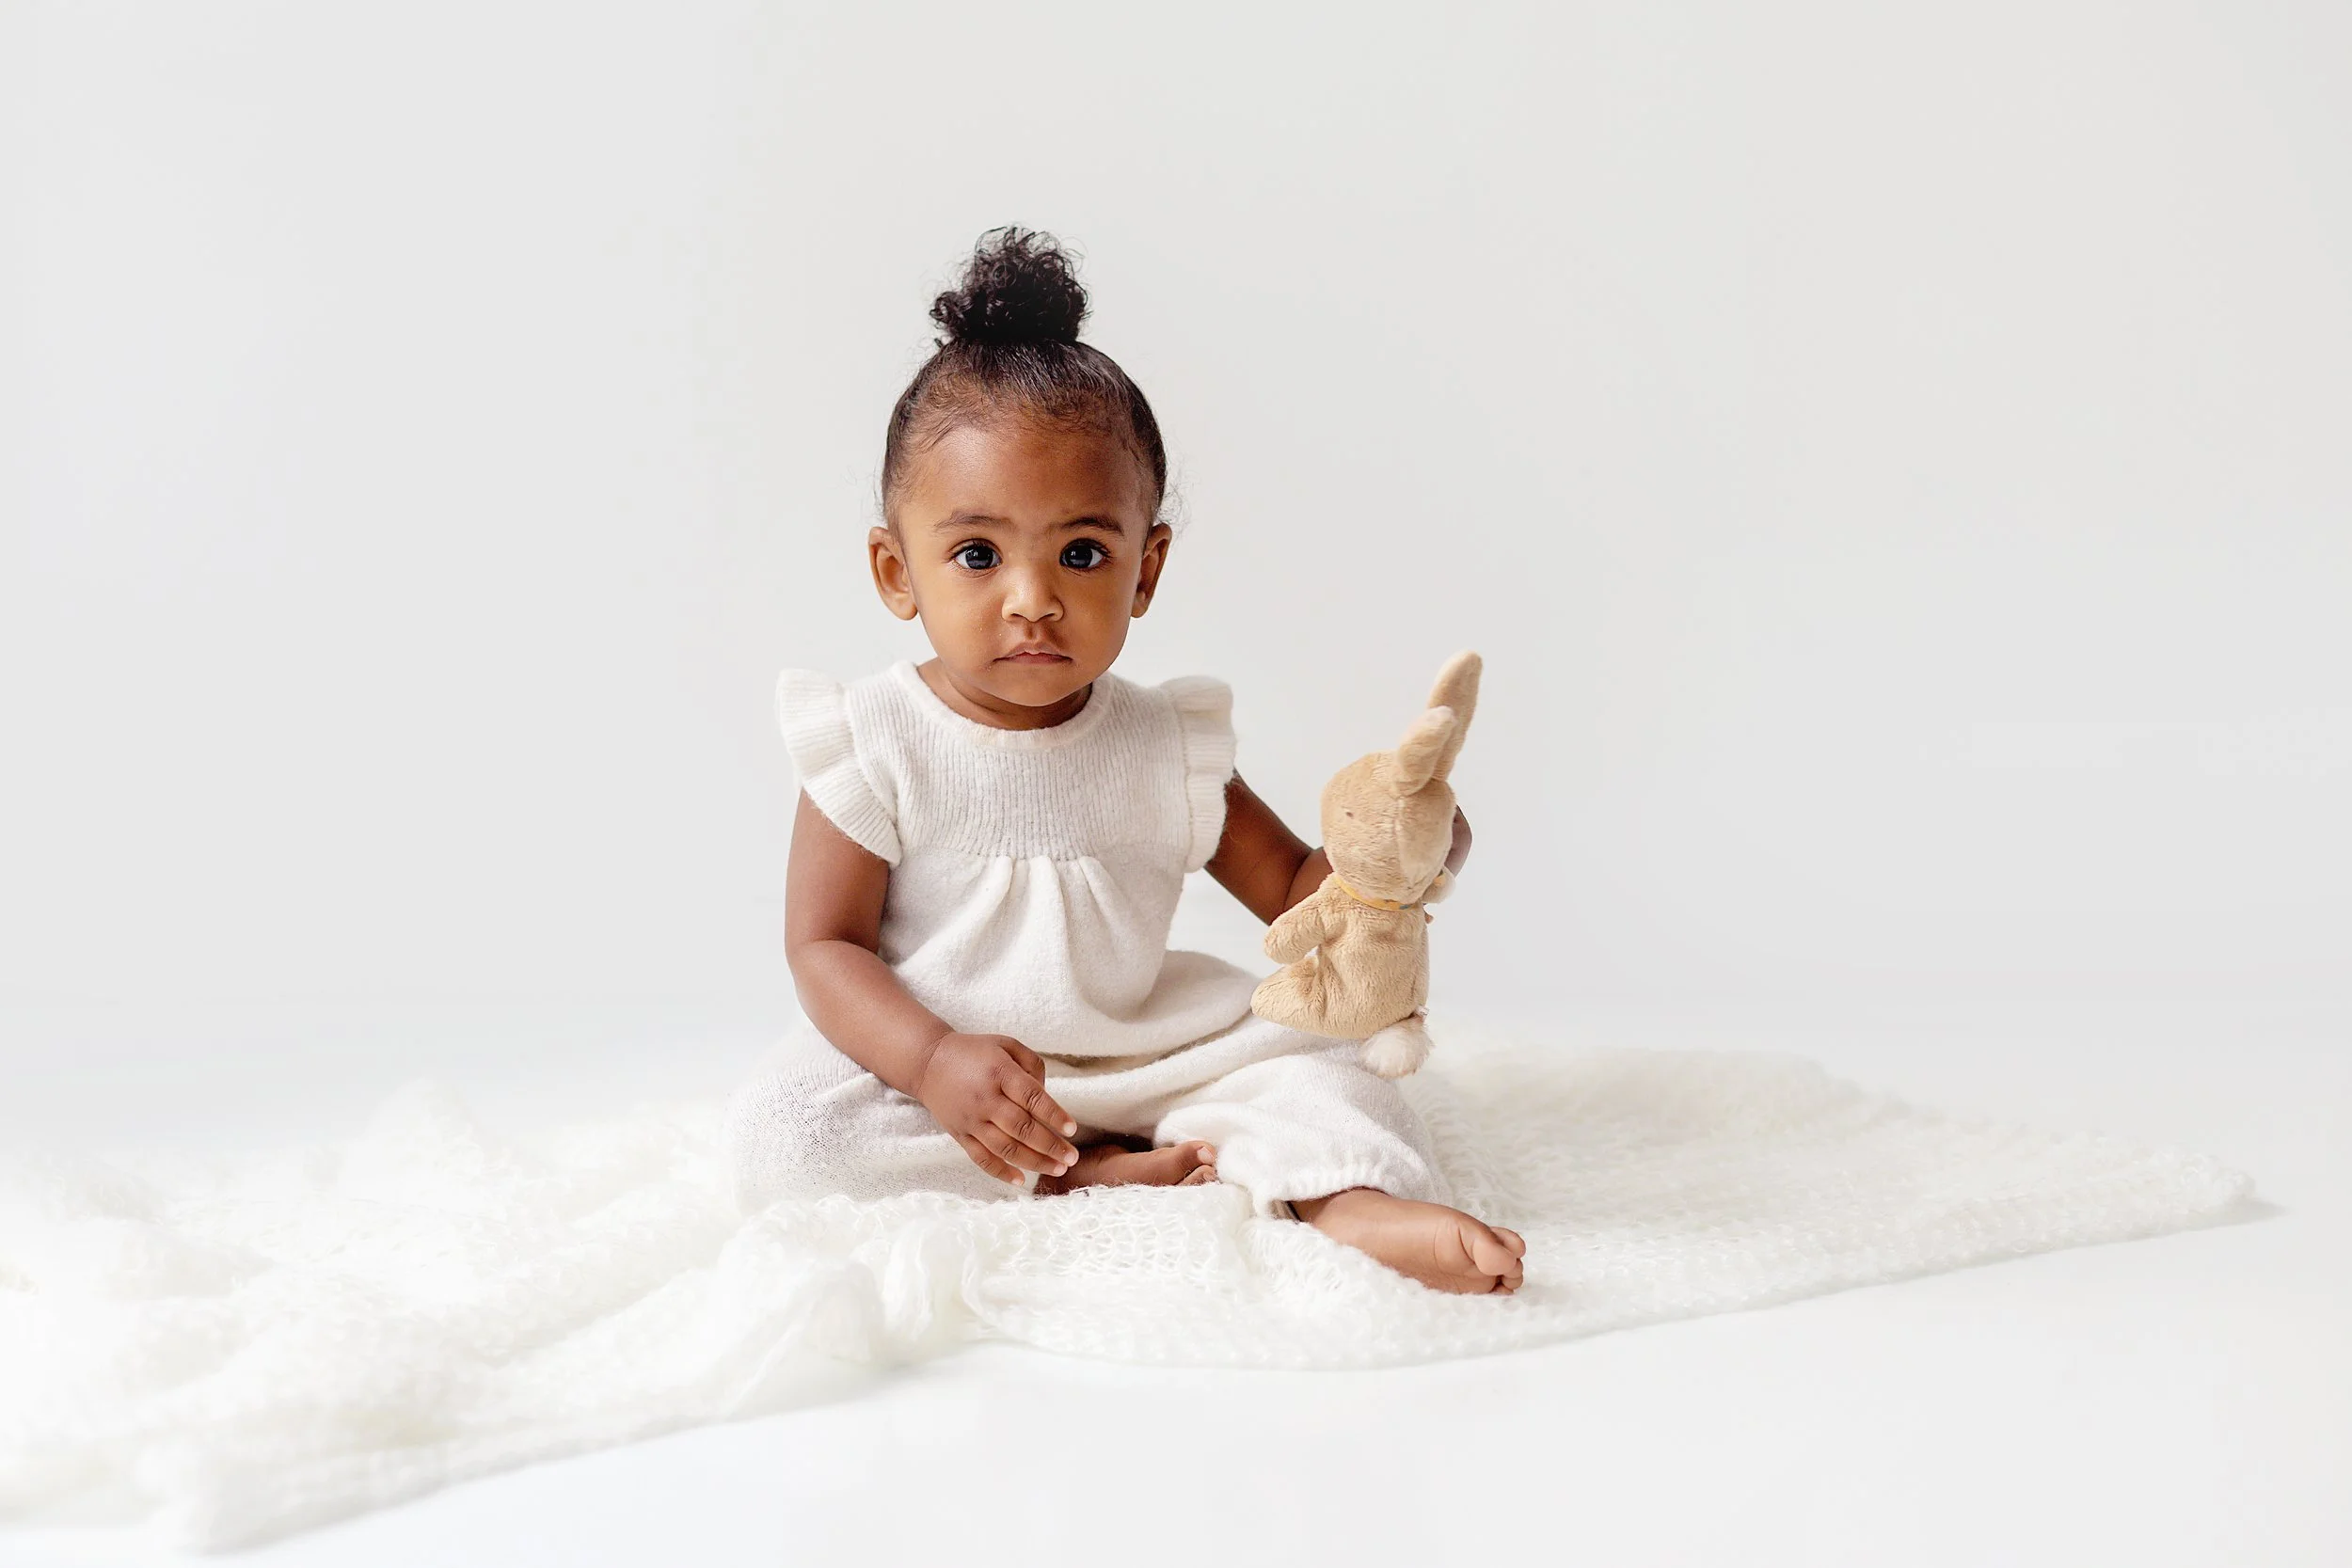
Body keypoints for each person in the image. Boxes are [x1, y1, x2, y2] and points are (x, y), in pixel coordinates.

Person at [723, 227, 1526, 1294]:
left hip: (1145, 1051)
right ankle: (1075, 1172)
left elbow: (1297, 897)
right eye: (977, 553)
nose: (1032, 598)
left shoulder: (1162, 744)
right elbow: (824, 946)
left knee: (1323, 1059)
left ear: (1145, 570)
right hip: (947, 1067)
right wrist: (930, 1059)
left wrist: (1395, 857)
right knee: (787, 1134)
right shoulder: (871, 739)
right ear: (895, 569)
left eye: (1082, 552)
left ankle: (1349, 1199)